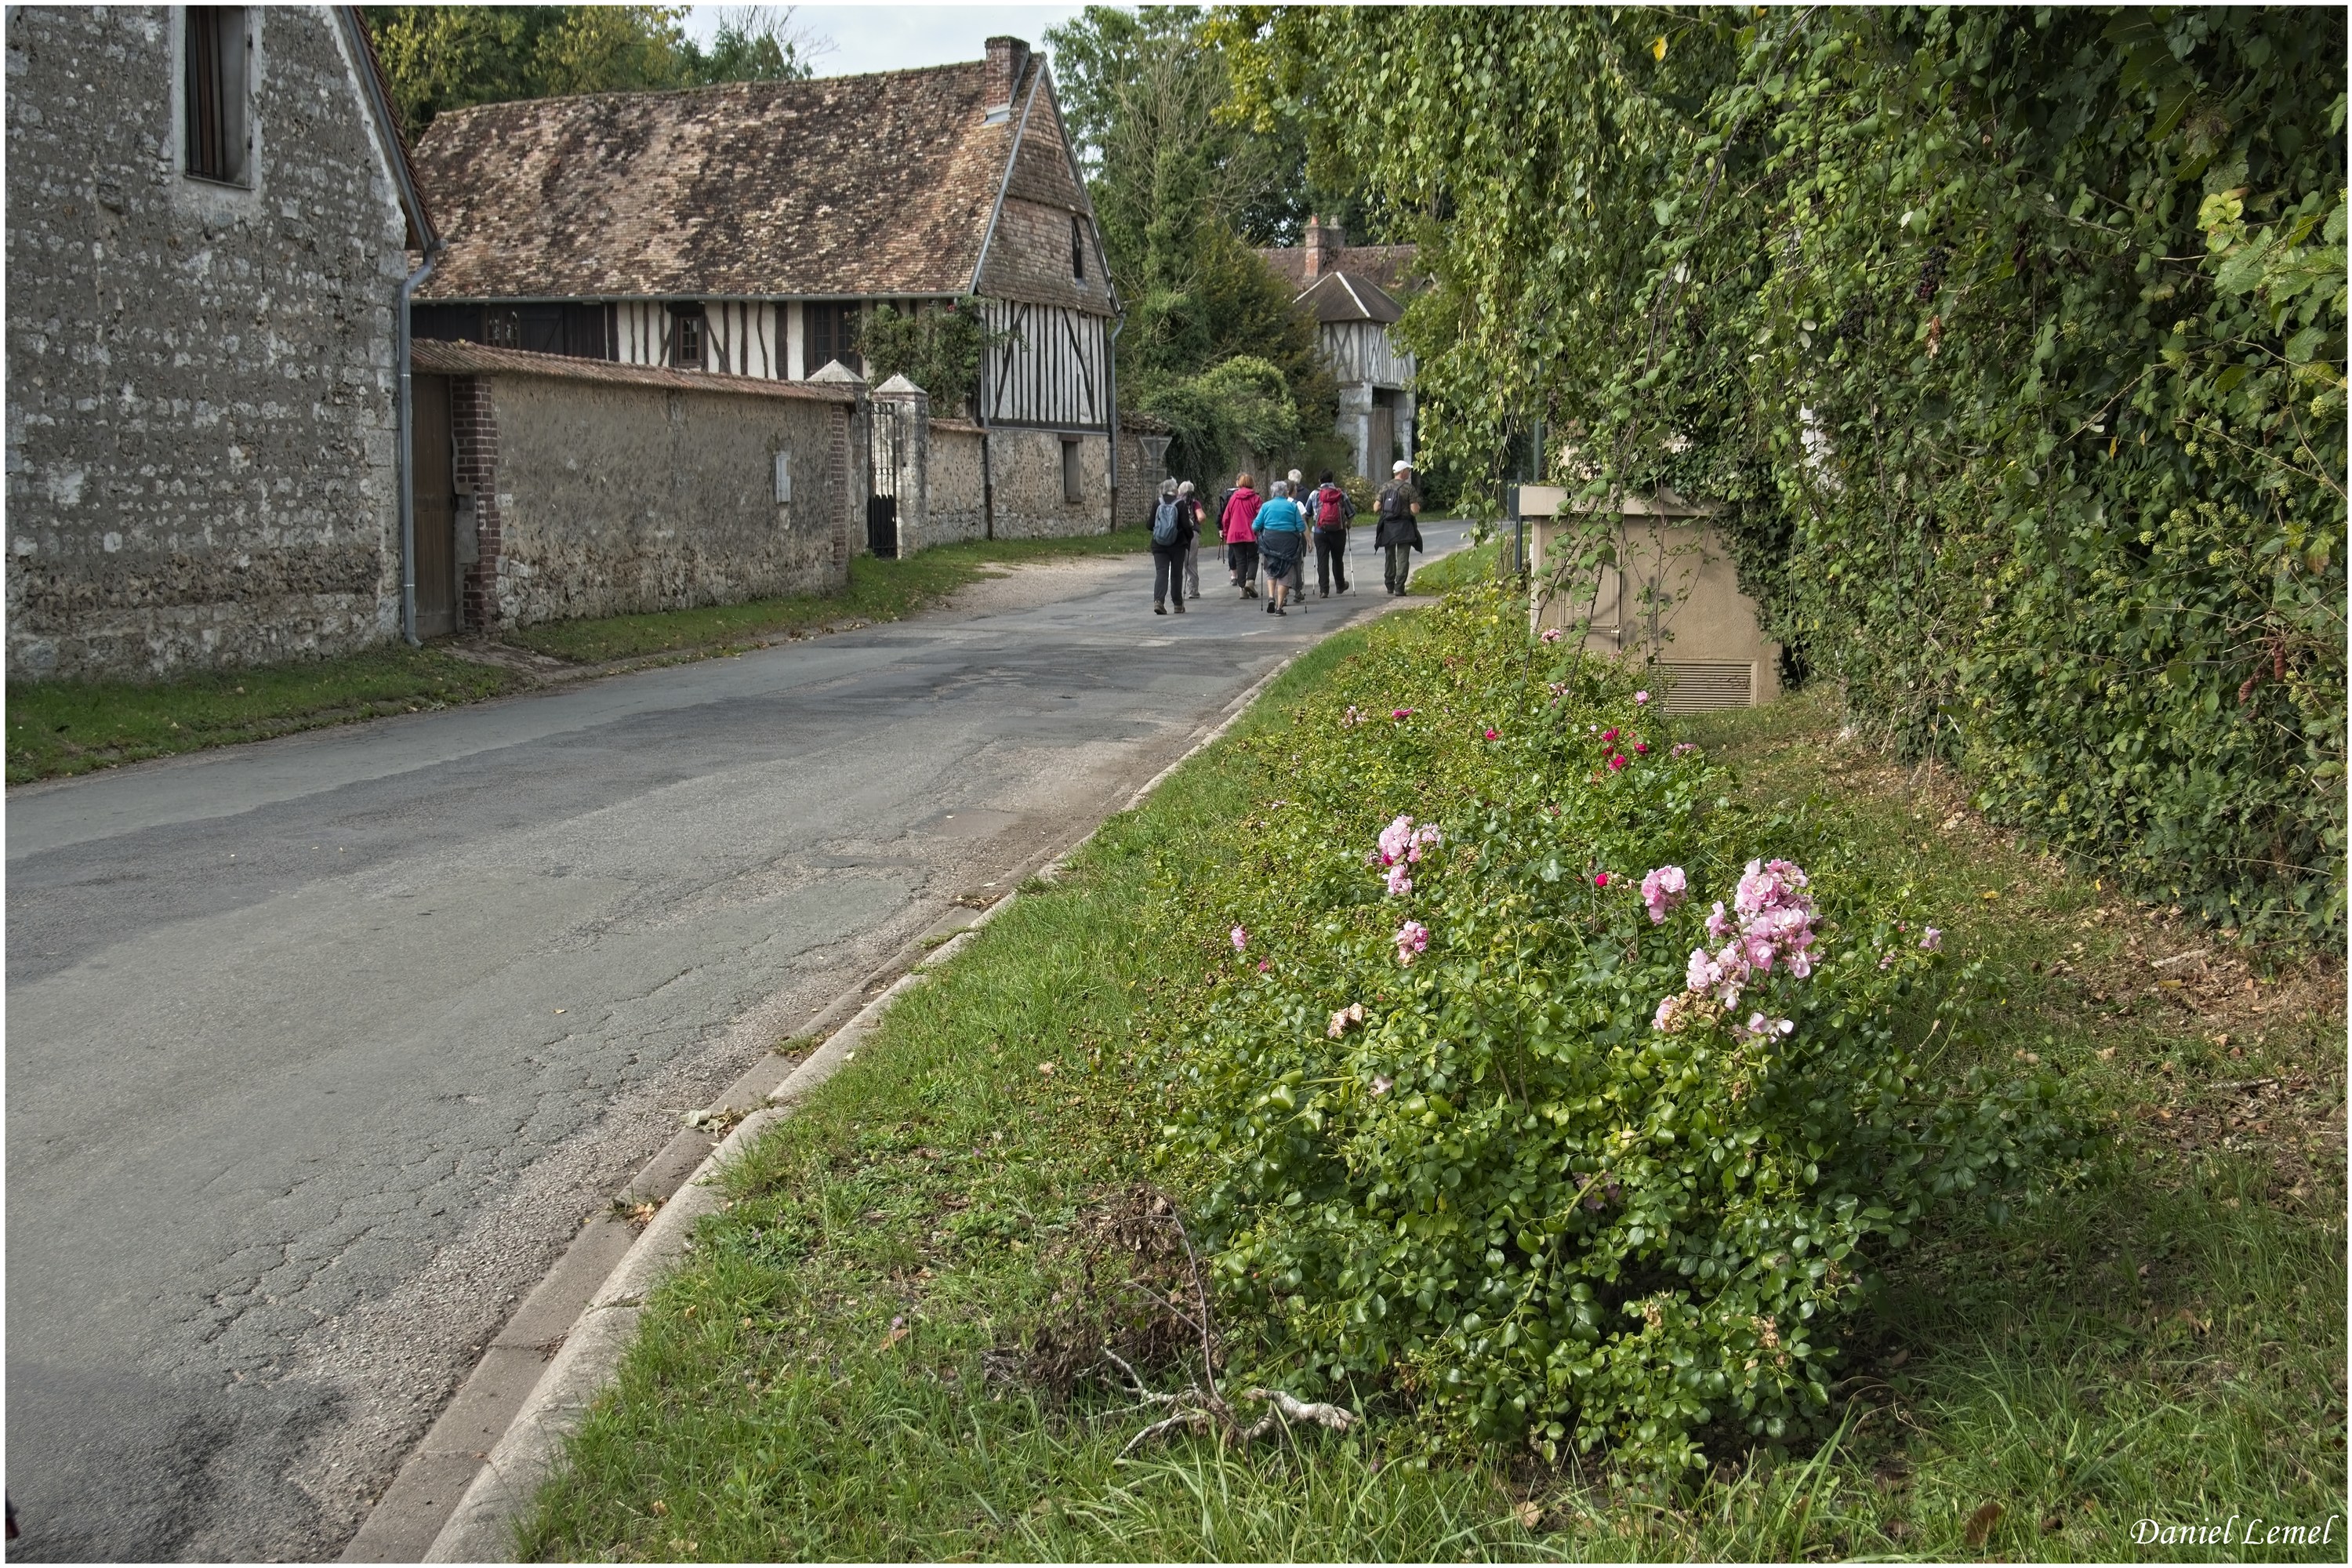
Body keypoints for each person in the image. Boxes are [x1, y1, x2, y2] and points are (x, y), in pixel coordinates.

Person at [1253, 478, 1308, 615]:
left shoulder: (1266, 506)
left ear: (1272, 493)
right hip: (1288, 543)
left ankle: (1271, 597)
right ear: (1286, 493)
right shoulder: (1293, 506)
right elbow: (1301, 527)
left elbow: (1255, 526)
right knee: (1285, 573)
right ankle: (1279, 607)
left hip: (1269, 541)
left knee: (1271, 570)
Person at [1375, 458, 1424, 595]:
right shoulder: (1409, 488)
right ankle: (1399, 587)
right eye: (1408, 470)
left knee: (1389, 556)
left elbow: (1376, 507)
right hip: (1404, 526)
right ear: (1403, 472)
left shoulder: (1385, 487)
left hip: (1388, 526)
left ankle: (1389, 584)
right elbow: (1414, 510)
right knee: (1403, 557)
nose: (1409, 472)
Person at [1149, 477, 1192, 615]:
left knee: (1161, 571)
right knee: (1176, 574)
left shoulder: (1157, 503)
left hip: (1159, 544)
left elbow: (1149, 525)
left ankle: (1158, 601)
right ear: (1174, 490)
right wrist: (1189, 536)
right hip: (1177, 544)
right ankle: (1178, 604)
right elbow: (1186, 526)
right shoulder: (1181, 504)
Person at [1308, 469, 1353, 597]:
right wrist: (1348, 524)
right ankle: (1340, 585)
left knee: (1322, 559)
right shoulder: (1341, 493)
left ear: (1319, 480)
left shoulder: (1314, 494)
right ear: (1332, 479)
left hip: (1320, 531)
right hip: (1338, 530)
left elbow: (1308, 513)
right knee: (1337, 559)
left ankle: (1324, 590)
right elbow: (1351, 513)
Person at [1220, 473, 1262, 599]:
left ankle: (1242, 589)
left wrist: (1227, 533)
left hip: (1235, 534)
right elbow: (1261, 516)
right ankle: (1250, 581)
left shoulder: (1233, 498)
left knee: (1240, 560)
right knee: (1254, 558)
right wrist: (1259, 531)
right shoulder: (1256, 498)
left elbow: (1225, 518)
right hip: (1250, 533)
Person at [1177, 480, 1204, 600]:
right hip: (1192, 534)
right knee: (1191, 562)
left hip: (1177, 534)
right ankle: (1193, 590)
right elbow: (1201, 517)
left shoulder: (1176, 502)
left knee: (1178, 562)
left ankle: (1176, 591)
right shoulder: (1195, 503)